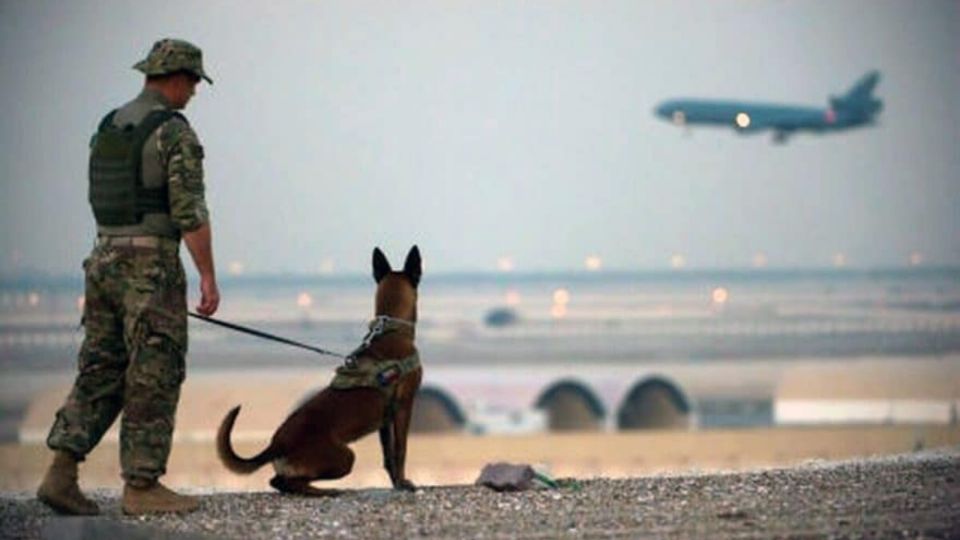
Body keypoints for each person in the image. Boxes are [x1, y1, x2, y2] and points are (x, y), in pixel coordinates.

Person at [36, 38, 220, 516]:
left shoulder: (111, 125)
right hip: (149, 267)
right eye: (194, 82)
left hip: (102, 260)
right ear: (177, 77)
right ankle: (142, 486)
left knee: (101, 368)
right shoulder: (173, 132)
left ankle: (60, 472)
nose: (195, 92)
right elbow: (189, 212)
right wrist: (207, 277)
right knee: (153, 373)